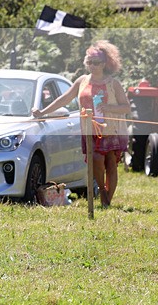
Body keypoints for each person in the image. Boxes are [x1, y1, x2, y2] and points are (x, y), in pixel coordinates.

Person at [32, 40, 130, 207]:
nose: (92, 66)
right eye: (89, 62)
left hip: (111, 130)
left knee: (111, 164)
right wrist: (43, 112)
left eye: (96, 63)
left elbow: (126, 107)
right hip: (89, 129)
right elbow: (64, 99)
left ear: (105, 63)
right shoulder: (82, 81)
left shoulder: (113, 83)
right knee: (97, 160)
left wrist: (109, 107)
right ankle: (102, 192)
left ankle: (107, 200)